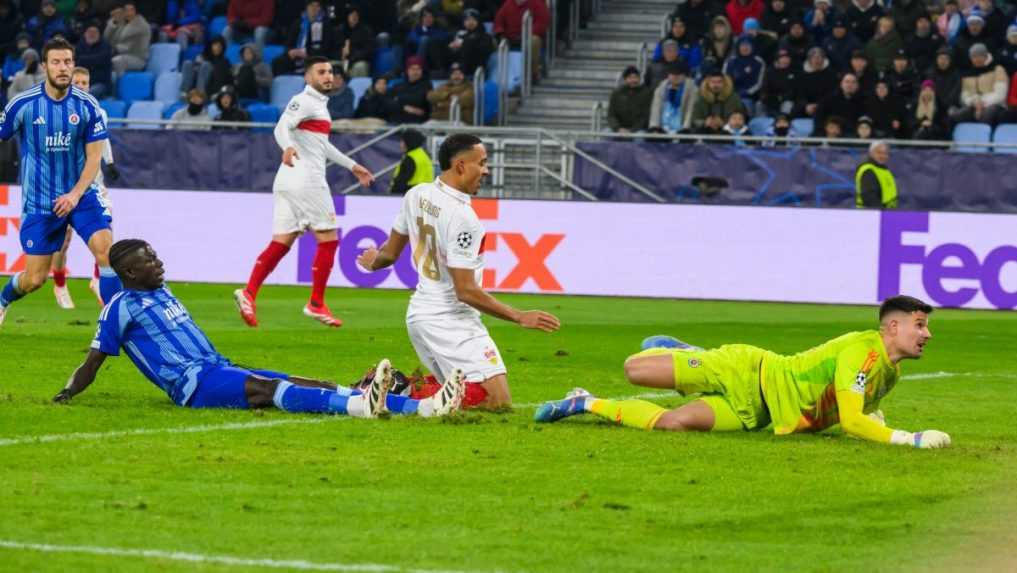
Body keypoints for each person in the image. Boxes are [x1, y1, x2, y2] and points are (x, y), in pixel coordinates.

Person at [54, 239, 465, 419]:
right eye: (150, 260)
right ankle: (362, 408)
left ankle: (423, 408)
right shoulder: (120, 308)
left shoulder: (163, 293)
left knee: (312, 381)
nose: (159, 263)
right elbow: (93, 361)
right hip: (193, 386)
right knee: (270, 392)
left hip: (217, 366)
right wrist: (67, 392)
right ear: (129, 271)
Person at [535, 295, 951, 450]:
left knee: (676, 425)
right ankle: (690, 354)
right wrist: (908, 439)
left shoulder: (889, 373)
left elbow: (849, 414)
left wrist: (874, 421)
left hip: (760, 413)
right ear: (893, 327)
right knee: (635, 369)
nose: (927, 334)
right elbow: (854, 419)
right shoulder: (861, 353)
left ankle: (583, 400)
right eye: (920, 325)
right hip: (745, 371)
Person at [357, 134, 561, 410]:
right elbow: (465, 291)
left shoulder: (416, 194)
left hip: (420, 315)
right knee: (496, 401)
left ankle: (396, 387)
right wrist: (519, 316)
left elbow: (388, 255)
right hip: (451, 320)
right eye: (483, 163)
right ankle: (396, 388)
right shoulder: (464, 219)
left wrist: (373, 261)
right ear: (461, 165)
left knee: (457, 391)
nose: (487, 170)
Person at [234, 57, 374, 329]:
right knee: (328, 238)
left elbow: (322, 147)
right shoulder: (304, 100)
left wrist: (353, 165)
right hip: (306, 179)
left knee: (282, 241)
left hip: (287, 180)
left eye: (330, 72)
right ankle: (316, 303)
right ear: (308, 78)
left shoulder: (320, 106)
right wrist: (286, 147)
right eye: (321, 72)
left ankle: (249, 292)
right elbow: (280, 127)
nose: (328, 76)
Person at [0, 38, 120, 327]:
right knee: (34, 279)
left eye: (67, 61)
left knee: (106, 251)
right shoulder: (23, 105)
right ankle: (3, 299)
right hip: (40, 202)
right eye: (56, 62)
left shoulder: (88, 106)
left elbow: (94, 159)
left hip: (81, 195)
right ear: (45, 67)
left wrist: (75, 194)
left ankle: (115, 325)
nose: (63, 68)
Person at [50, 66, 119, 310]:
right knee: (63, 242)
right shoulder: (58, 113)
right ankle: (59, 284)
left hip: (94, 185)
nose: (81, 86)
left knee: (106, 232)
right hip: (66, 186)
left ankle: (98, 280)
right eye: (76, 82)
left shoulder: (98, 111)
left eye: (84, 83)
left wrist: (109, 163)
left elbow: (104, 140)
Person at [272, 0, 335, 77]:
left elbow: (326, 46)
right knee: (278, 62)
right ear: (307, 8)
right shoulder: (298, 23)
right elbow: (289, 43)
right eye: (311, 6)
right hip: (296, 54)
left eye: (317, 6)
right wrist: (290, 52)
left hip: (313, 55)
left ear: (320, 8)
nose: (314, 8)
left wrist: (307, 53)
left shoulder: (325, 25)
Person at [950, 43, 1008, 126]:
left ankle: (984, 137)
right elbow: (964, 95)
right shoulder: (967, 73)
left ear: (985, 56)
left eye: (980, 56)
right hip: (974, 104)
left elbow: (1000, 95)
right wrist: (974, 102)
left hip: (995, 104)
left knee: (987, 114)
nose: (977, 59)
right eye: (974, 57)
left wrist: (982, 102)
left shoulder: (997, 69)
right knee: (957, 116)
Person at [494, 0, 549, 82]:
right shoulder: (508, 3)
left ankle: (533, 73)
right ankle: (497, 75)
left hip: (528, 36)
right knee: (493, 42)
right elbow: (498, 21)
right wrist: (500, 33)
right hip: (510, 38)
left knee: (533, 41)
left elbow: (542, 24)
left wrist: (526, 34)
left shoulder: (537, 4)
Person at [103, 1, 150, 77]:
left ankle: (118, 86)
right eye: (126, 10)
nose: (128, 12)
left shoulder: (142, 26)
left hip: (137, 58)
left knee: (117, 61)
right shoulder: (122, 23)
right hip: (119, 54)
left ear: (136, 11)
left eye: (131, 10)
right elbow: (106, 38)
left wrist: (113, 49)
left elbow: (129, 47)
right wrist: (114, 22)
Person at [649, 60, 697, 133]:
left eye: (678, 74)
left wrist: (685, 128)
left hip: (682, 129)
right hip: (662, 129)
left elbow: (690, 110)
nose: (675, 76)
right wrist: (654, 127)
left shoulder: (692, 89)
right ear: (668, 74)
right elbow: (656, 109)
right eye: (672, 73)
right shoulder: (661, 89)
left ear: (684, 75)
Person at [448, 8, 495, 76]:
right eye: (467, 20)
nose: (470, 22)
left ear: (478, 21)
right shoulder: (461, 36)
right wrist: (452, 49)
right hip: (458, 69)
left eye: (473, 19)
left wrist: (464, 44)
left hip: (477, 70)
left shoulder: (486, 36)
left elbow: (483, 53)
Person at [607, 66, 653, 134]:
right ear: (625, 79)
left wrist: (632, 130)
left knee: (640, 136)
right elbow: (611, 115)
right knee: (606, 133)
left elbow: (645, 117)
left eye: (635, 77)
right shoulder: (617, 93)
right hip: (619, 129)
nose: (633, 80)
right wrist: (618, 128)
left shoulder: (646, 93)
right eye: (630, 78)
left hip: (638, 129)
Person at [389, 128, 433, 195]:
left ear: (409, 141)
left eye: (402, 141)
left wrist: (392, 192)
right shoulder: (424, 155)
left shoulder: (410, 158)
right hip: (425, 196)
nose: (400, 144)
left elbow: (400, 184)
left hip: (409, 196)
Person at [389, 57, 432, 124]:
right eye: (412, 69)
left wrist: (399, 99)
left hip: (418, 121)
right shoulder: (398, 85)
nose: (415, 72)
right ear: (407, 70)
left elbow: (418, 100)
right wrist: (405, 107)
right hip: (398, 119)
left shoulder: (426, 85)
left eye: (418, 69)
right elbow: (388, 102)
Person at [855, 141, 897, 209]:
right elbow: (869, 196)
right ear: (871, 153)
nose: (883, 156)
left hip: (886, 214)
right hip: (873, 215)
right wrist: (881, 211)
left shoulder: (883, 170)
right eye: (879, 153)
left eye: (885, 153)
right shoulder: (868, 170)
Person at [74, 22, 112, 98]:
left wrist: (84, 60)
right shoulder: (79, 46)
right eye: (90, 32)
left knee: (87, 95)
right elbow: (77, 62)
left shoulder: (106, 46)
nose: (92, 34)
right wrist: (93, 59)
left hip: (100, 83)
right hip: (81, 83)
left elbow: (102, 60)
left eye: (95, 32)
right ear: (85, 34)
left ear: (99, 35)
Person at [337, 6, 373, 78]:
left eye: (356, 15)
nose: (354, 17)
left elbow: (368, 50)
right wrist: (341, 55)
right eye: (352, 15)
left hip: (357, 60)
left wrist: (351, 58)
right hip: (340, 59)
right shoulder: (339, 30)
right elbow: (333, 47)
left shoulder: (365, 31)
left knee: (360, 66)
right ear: (347, 17)